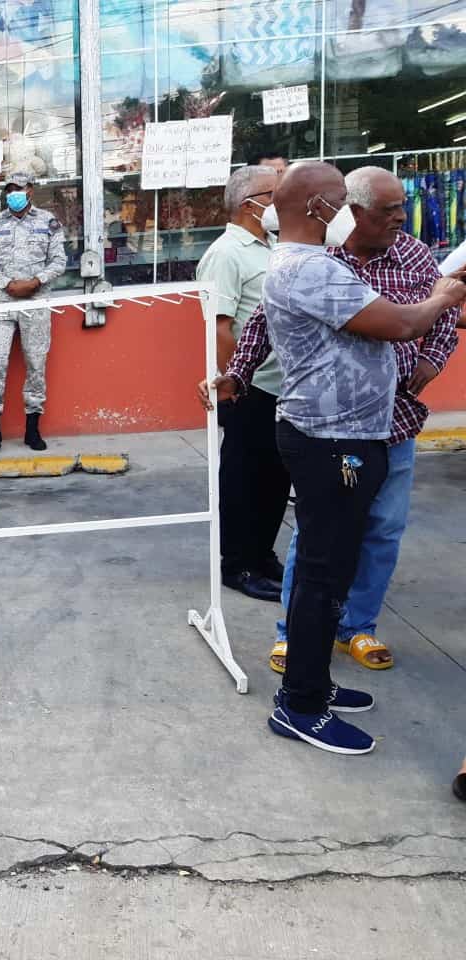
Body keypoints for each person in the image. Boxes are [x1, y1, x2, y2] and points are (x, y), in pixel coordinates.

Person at [204, 161, 466, 755]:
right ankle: (300, 705)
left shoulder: (308, 265)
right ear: (323, 210)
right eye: (340, 200)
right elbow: (400, 324)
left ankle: (313, 684)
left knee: (333, 570)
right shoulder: (312, 270)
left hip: (350, 435)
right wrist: (444, 295)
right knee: (321, 577)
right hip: (333, 442)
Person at [196, 164, 286, 602]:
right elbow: (219, 327)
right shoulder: (226, 253)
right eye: (276, 193)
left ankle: (262, 554)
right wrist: (236, 380)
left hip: (282, 384)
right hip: (251, 385)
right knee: (244, 478)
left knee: (275, 477)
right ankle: (237, 564)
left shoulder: (274, 246)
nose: (284, 201)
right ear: (253, 203)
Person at [0, 170, 68, 453]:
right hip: (2, 302)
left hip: (36, 300)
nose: (14, 192)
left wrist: (35, 282)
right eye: (10, 188)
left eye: (20, 187)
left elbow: (59, 260)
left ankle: (32, 428)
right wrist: (8, 284)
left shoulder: (48, 222)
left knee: (36, 362)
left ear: (30, 190)